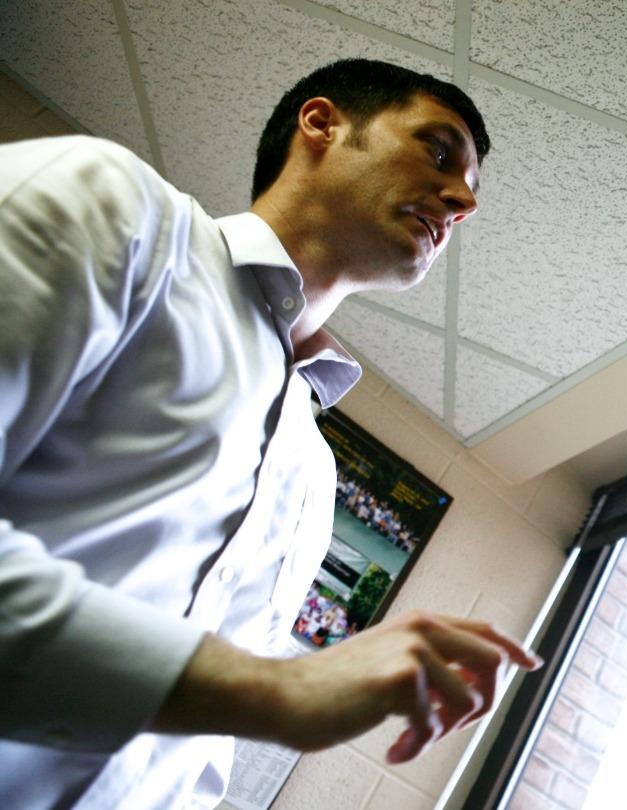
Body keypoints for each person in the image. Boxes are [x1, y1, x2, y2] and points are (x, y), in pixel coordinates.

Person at [0, 59, 542, 808]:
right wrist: (278, 690)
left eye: (472, 192)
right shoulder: (114, 208)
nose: (460, 201)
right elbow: (256, 690)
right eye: (438, 151)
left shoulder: (313, 475)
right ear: (321, 124)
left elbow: (197, 750)